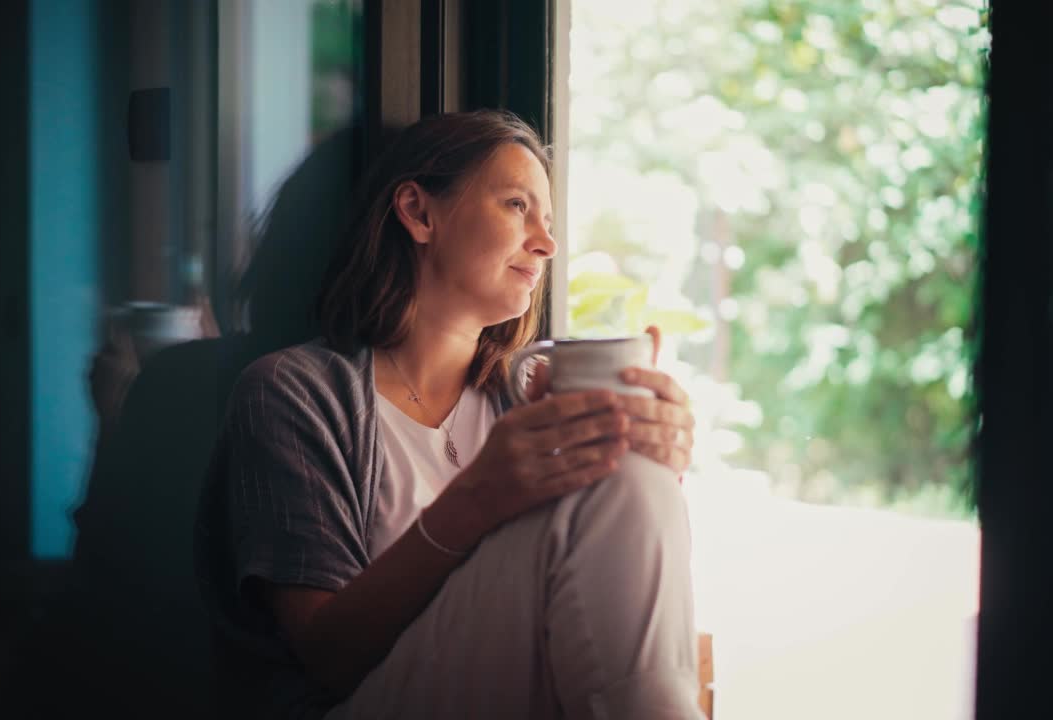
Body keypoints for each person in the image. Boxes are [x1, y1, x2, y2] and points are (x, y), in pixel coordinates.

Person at [194, 109, 701, 719]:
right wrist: (478, 499)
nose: (546, 241)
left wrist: (649, 451)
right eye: (517, 205)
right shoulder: (294, 393)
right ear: (418, 211)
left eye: (546, 218)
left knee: (629, 474)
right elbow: (325, 658)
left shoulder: (521, 403)